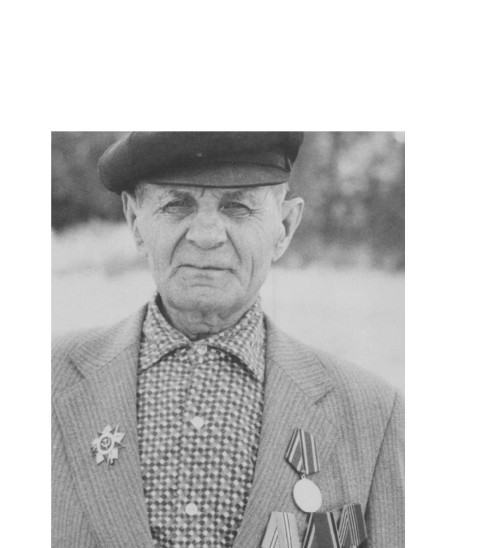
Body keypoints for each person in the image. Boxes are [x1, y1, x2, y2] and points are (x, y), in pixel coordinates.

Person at [52, 132, 404, 548]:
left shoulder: (372, 414)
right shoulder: (44, 384)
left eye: (237, 207)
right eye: (177, 204)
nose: (206, 235)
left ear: (284, 227)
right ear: (135, 222)